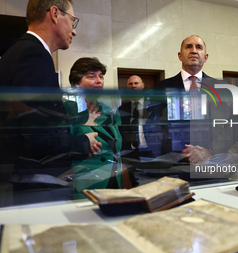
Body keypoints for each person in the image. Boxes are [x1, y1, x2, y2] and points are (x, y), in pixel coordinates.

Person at [0, 0, 101, 170]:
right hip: (32, 179)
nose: (74, 31)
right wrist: (83, 143)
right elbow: (37, 138)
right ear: (55, 14)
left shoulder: (25, 51)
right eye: (72, 21)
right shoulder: (32, 55)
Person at [155, 35, 238, 169]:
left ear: (205, 57)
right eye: (188, 47)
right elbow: (154, 127)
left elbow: (234, 126)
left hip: (212, 165)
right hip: (173, 167)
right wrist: (180, 153)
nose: (194, 50)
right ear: (180, 55)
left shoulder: (221, 88)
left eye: (199, 47)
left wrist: (209, 151)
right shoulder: (162, 88)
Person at [67, 57, 124, 191]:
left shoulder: (109, 110)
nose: (99, 81)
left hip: (115, 180)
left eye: (101, 76)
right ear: (77, 83)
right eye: (92, 77)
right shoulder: (67, 111)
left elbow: (119, 148)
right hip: (87, 184)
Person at [118, 75, 155, 159]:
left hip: (151, 151)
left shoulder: (152, 105)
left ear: (142, 86)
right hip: (129, 153)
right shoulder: (122, 109)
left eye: (136, 83)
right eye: (130, 84)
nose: (133, 86)